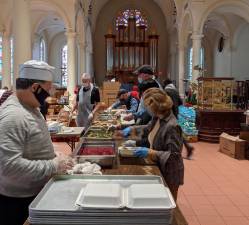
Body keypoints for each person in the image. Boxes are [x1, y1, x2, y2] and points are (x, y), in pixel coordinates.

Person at [0, 60, 74, 225]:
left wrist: (53, 154)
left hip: (33, 193)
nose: (49, 96)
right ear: (34, 87)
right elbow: (9, 167)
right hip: (18, 203)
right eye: (47, 91)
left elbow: (31, 145)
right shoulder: (14, 116)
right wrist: (53, 165)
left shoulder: (31, 107)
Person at [124, 88, 184, 201]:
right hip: (158, 166)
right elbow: (147, 129)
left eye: (148, 106)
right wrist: (132, 130)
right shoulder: (158, 118)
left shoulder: (172, 126)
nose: (146, 109)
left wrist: (150, 152)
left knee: (168, 202)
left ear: (156, 107)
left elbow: (174, 156)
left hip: (169, 172)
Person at [163, 78, 194, 159]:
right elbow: (180, 102)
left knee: (174, 132)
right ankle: (188, 147)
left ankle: (177, 150)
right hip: (176, 113)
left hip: (169, 114)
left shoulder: (166, 91)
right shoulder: (175, 91)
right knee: (178, 131)